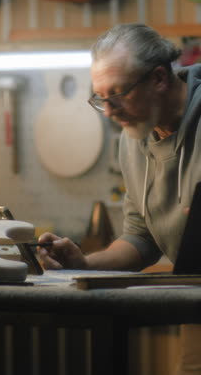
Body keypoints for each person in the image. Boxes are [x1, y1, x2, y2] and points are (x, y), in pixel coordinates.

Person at [38, 23, 201, 374]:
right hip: (196, 311)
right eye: (100, 98)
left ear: (159, 79)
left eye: (118, 94)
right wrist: (85, 266)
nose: (108, 111)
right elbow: (142, 235)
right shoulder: (133, 136)